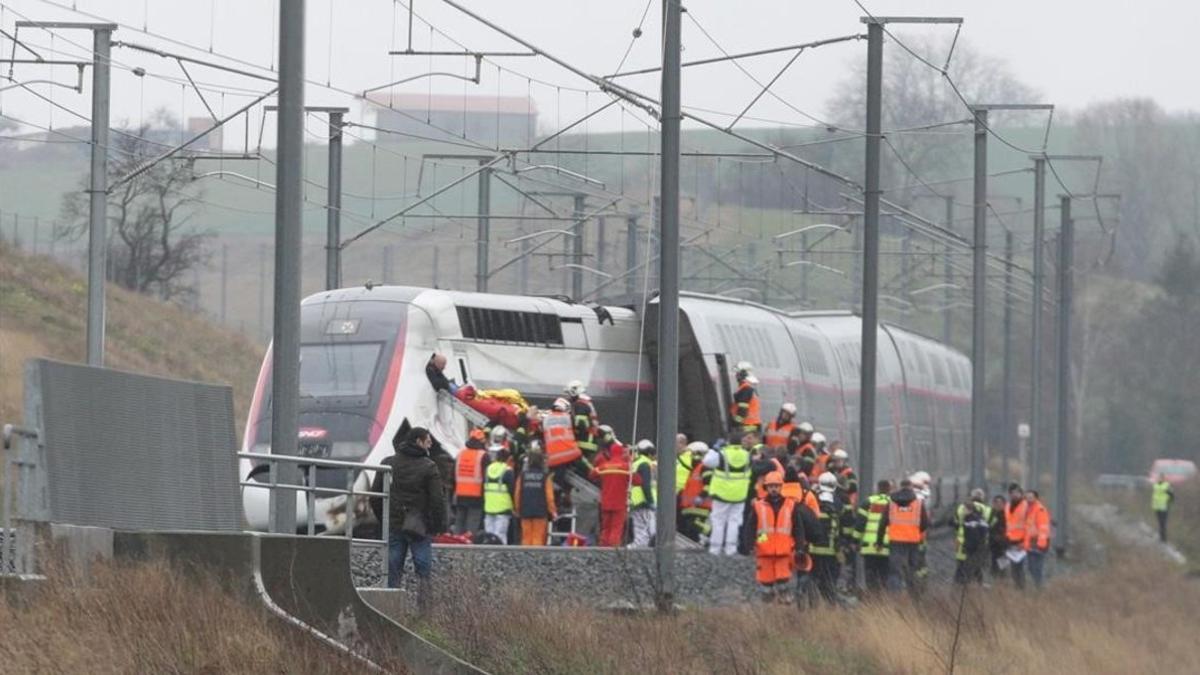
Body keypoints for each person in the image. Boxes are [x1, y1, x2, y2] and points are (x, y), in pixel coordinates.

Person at [385, 427, 447, 594]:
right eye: (428, 440)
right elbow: (437, 500)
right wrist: (437, 525)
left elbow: (376, 495)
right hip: (420, 526)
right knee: (423, 569)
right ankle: (424, 610)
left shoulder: (389, 463)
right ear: (419, 442)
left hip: (395, 523)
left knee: (393, 568)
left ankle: (390, 607)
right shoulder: (429, 467)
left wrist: (384, 518)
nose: (430, 444)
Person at [747, 471, 809, 603]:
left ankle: (783, 614)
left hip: (784, 552)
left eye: (776, 486)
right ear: (766, 488)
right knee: (766, 588)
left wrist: (799, 547)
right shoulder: (758, 506)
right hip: (764, 552)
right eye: (770, 486)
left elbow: (798, 528)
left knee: (784, 586)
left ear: (781, 487)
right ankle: (769, 613)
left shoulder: (791, 505)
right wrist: (748, 545)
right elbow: (750, 528)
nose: (773, 489)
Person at [875, 478, 929, 597]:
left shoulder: (892, 503)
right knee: (911, 569)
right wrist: (916, 532)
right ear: (910, 487)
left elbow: (882, 523)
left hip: (895, 541)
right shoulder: (918, 503)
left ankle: (895, 597)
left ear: (900, 487)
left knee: (895, 570)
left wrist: (879, 542)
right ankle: (913, 596)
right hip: (913, 541)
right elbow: (925, 523)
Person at [703, 432, 752, 555]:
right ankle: (731, 549)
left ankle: (715, 549)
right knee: (734, 522)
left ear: (728, 441)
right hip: (739, 494)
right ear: (741, 441)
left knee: (718, 521)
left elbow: (706, 462)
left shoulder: (722, 454)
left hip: (721, 494)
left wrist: (714, 449)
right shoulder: (747, 455)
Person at [589, 425, 632, 547]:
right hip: (620, 501)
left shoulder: (601, 461)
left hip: (605, 499)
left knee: (605, 527)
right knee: (616, 528)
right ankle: (613, 552)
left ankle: (603, 550)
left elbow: (592, 474)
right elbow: (637, 480)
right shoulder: (625, 463)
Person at [810, 472, 845, 604]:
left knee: (812, 578)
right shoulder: (838, 502)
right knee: (829, 580)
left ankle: (813, 604)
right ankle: (831, 603)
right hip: (831, 550)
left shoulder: (813, 498)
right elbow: (843, 526)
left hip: (813, 549)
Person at [515, 443, 557, 546]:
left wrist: (517, 509)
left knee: (526, 537)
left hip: (525, 511)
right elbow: (549, 497)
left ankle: (525, 559)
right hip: (540, 512)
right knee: (538, 538)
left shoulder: (523, 476)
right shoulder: (545, 477)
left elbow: (517, 494)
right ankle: (536, 560)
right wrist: (553, 511)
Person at [856, 480, 892, 594]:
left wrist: (854, 541)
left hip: (869, 548)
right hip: (887, 547)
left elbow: (859, 525)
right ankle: (881, 600)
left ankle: (872, 598)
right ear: (889, 489)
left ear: (877, 488)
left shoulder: (868, 502)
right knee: (884, 576)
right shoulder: (893, 504)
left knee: (870, 576)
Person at [953, 488, 992, 585]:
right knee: (977, 568)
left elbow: (955, 522)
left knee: (961, 568)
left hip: (962, 542)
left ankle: (960, 587)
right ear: (983, 498)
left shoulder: (961, 507)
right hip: (981, 544)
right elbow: (989, 526)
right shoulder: (988, 510)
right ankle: (978, 587)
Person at [452, 428, 488, 535]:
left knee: (459, 523)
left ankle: (455, 545)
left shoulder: (460, 454)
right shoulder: (483, 455)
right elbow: (486, 476)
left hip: (460, 494)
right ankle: (470, 548)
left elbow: (452, 475)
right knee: (472, 525)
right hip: (476, 495)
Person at [678, 441, 713, 544]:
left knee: (695, 526)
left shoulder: (704, 467)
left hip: (700, 506)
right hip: (691, 508)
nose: (691, 457)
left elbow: (709, 485)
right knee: (691, 531)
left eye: (693, 454)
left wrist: (700, 497)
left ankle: (714, 535)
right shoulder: (694, 469)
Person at [482, 444, 516, 544]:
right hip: (503, 508)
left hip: (489, 507)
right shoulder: (508, 470)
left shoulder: (488, 469)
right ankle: (500, 558)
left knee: (489, 536)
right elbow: (512, 490)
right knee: (500, 535)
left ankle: (488, 557)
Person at [630, 439, 658, 547]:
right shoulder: (645, 464)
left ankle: (634, 553)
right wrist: (651, 501)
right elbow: (646, 485)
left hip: (636, 502)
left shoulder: (635, 463)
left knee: (640, 534)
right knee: (651, 532)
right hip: (644, 503)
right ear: (650, 453)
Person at [1023, 489, 1051, 589]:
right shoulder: (1028, 510)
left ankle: (1040, 588)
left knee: (1037, 568)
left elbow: (1043, 528)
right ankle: (1037, 587)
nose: (1029, 499)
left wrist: (1041, 544)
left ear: (1036, 498)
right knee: (1031, 567)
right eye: (1027, 497)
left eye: (1031, 497)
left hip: (1038, 543)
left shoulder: (1039, 509)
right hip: (1031, 543)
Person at [565, 380, 600, 461]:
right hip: (589, 439)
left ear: (574, 392)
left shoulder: (580, 404)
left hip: (584, 440)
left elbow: (580, 423)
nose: (568, 397)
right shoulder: (586, 402)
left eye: (569, 394)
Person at [1005, 483, 1029, 589]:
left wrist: (1025, 542)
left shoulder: (1026, 505)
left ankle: (1022, 588)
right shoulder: (1007, 506)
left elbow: (1030, 525)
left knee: (1021, 567)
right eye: (1012, 493)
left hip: (1022, 541)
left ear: (1021, 493)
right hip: (1010, 541)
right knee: (1014, 567)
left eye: (1017, 492)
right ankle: (1017, 587)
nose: (1014, 495)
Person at [729, 361, 762, 434]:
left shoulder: (745, 389)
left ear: (743, 374)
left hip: (748, 426)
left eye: (738, 373)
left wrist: (736, 424)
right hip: (753, 425)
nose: (736, 376)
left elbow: (743, 410)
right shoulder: (749, 387)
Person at [988, 495, 1009, 579]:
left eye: (1000, 503)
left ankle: (1003, 579)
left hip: (1003, 544)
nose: (998, 504)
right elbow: (989, 526)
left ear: (1004, 504)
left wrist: (1001, 537)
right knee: (994, 562)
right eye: (996, 502)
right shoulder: (992, 513)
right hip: (993, 543)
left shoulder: (1007, 514)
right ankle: (996, 579)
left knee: (1003, 563)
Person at [1152, 474, 1175, 542]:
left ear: (1164, 479)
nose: (1160, 479)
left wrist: (1169, 503)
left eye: (1161, 478)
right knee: (1159, 522)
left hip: (1164, 506)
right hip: (1157, 506)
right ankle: (1160, 537)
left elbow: (1172, 495)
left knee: (1163, 523)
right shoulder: (1155, 485)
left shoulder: (1167, 486)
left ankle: (1163, 539)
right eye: (1159, 478)